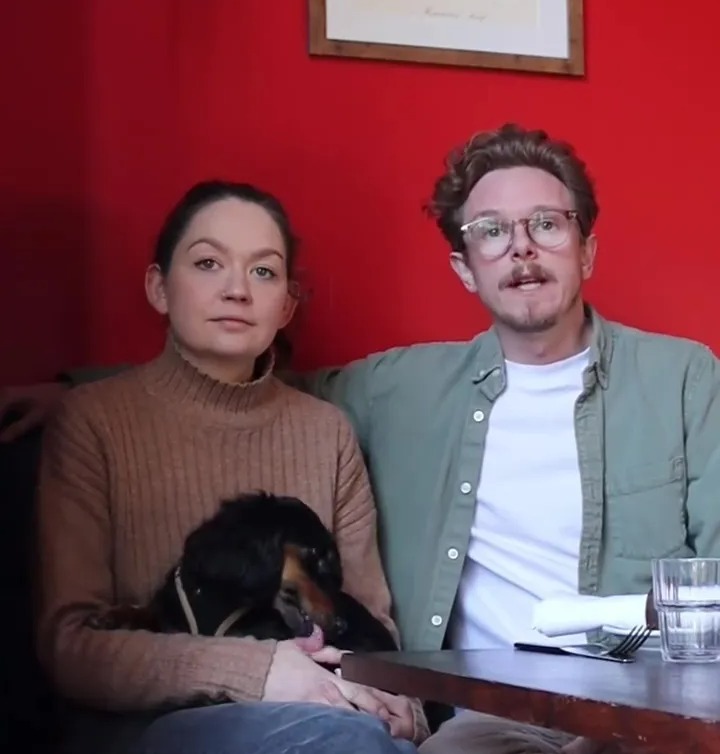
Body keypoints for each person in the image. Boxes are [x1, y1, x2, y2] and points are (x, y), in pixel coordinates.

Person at [5, 124, 720, 752]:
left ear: (587, 250)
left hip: (647, 715)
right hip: (489, 716)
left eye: (546, 223)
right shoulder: (398, 390)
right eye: (492, 231)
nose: (522, 249)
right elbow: (224, 382)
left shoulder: (684, 378)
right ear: (463, 267)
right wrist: (77, 388)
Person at [29, 180, 423, 754]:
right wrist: (258, 672)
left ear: (286, 304)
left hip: (329, 713)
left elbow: (368, 625)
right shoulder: (92, 421)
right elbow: (71, 648)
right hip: (149, 726)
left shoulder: (326, 431)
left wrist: (399, 702)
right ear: (159, 287)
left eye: (263, 272)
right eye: (209, 263)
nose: (237, 290)